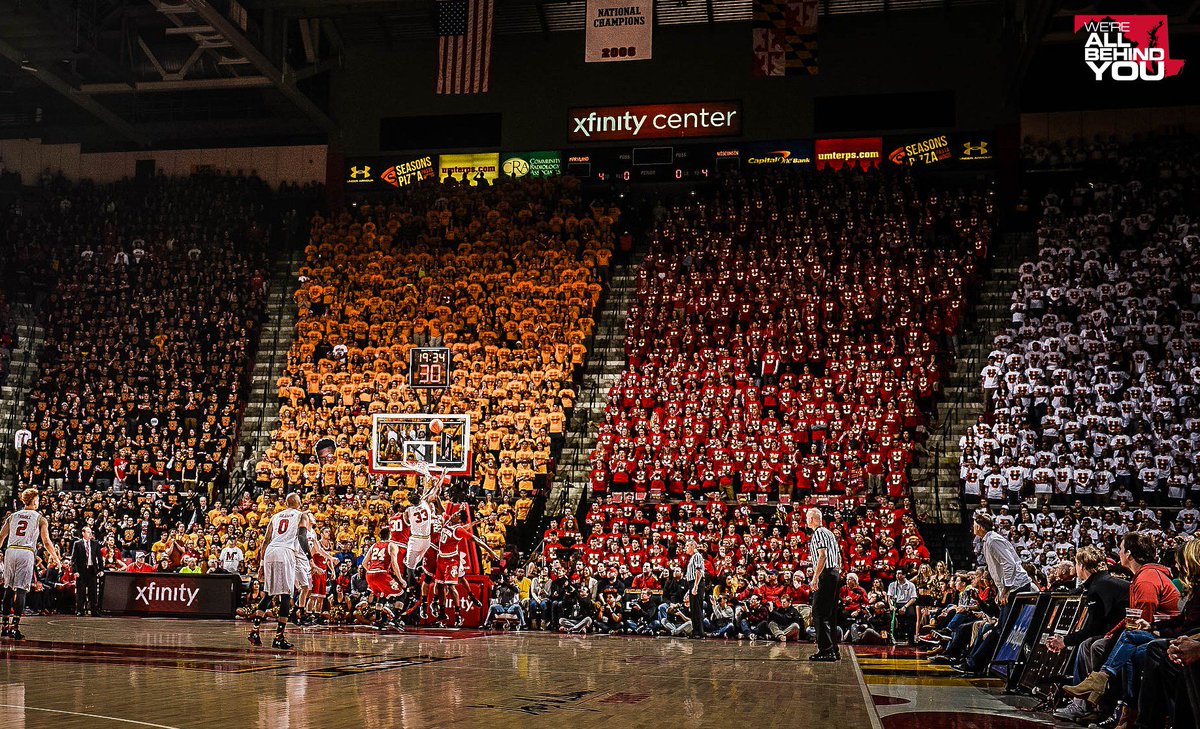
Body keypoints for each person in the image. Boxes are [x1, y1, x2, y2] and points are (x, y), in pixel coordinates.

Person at [1049, 546, 1130, 722]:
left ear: (1081, 566)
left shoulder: (1099, 586)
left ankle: (1089, 705)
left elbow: (1095, 627)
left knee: (1089, 645)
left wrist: (1065, 640)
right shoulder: (1102, 582)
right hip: (1119, 632)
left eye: (1076, 564)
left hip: (1124, 635)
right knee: (1088, 644)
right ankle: (1086, 703)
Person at [0, 488, 63, 639]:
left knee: (8, 589)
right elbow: (46, 542)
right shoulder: (39, 518)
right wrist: (56, 558)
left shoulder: (13, 516)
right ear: (34, 500)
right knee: (21, 590)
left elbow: (1, 536)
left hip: (10, 550)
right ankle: (15, 627)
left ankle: (4, 626)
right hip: (25, 551)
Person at [249, 492, 308, 650]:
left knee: (269, 592)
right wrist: (308, 556)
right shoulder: (301, 515)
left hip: (270, 552)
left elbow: (266, 539)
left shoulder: (276, 516)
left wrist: (261, 564)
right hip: (284, 552)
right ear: (297, 502)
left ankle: (255, 631)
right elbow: (302, 537)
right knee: (285, 595)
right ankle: (279, 637)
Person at [807, 507, 842, 661]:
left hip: (826, 574)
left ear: (812, 519)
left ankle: (826, 650)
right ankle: (834, 649)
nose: (806, 520)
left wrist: (815, 577)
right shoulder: (830, 533)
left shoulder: (819, 533)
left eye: (807, 517)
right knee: (830, 614)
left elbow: (822, 556)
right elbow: (838, 556)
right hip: (834, 573)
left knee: (818, 613)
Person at [363, 526, 406, 630]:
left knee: (381, 594)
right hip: (381, 573)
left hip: (369, 574)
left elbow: (364, 562)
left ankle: (378, 621)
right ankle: (395, 619)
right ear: (390, 535)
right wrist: (401, 580)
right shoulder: (392, 545)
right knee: (401, 594)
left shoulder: (374, 545)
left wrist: (372, 571)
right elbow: (395, 564)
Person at [71, 525, 102, 616]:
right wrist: (75, 571)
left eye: (91, 532)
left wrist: (101, 569)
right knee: (81, 592)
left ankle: (94, 611)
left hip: (92, 570)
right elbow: (74, 559)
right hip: (81, 571)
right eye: (88, 532)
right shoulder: (77, 543)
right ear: (83, 533)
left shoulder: (95, 543)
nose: (90, 534)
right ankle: (80, 610)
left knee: (93, 592)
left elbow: (99, 558)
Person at [887, 570, 918, 644]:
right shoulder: (892, 585)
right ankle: (892, 637)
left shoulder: (911, 585)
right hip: (896, 603)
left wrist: (905, 607)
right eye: (897, 574)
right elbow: (889, 597)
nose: (898, 575)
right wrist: (891, 605)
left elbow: (913, 598)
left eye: (900, 573)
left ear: (904, 575)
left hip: (907, 603)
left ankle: (911, 639)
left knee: (912, 615)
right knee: (889, 615)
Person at [684, 540, 706, 640]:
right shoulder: (693, 557)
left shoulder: (697, 556)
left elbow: (699, 571)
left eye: (687, 546)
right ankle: (696, 631)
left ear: (693, 546)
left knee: (697, 609)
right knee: (694, 609)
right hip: (692, 583)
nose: (685, 548)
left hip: (696, 583)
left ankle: (699, 632)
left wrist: (695, 586)